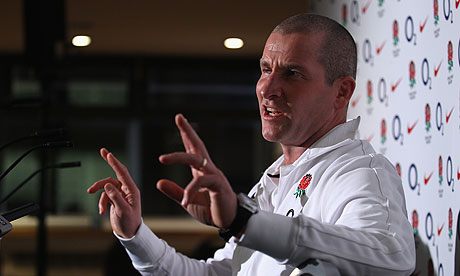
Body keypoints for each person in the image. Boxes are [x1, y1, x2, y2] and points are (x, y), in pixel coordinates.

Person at [87, 14, 415, 275]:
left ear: (342, 92)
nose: (267, 88)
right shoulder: (274, 178)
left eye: (292, 73)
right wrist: (134, 234)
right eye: (265, 69)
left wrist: (242, 221)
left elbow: (393, 257)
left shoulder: (359, 172)